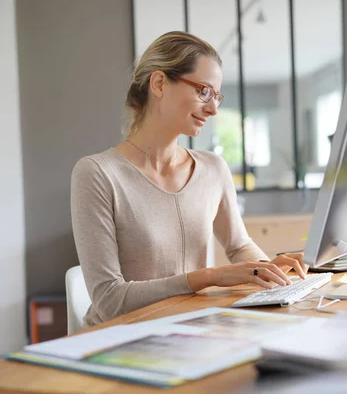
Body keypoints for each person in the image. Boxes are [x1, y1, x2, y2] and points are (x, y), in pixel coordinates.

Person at [71, 31, 307, 327]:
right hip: (121, 341)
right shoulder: (97, 174)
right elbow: (109, 301)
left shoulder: (213, 168)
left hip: (191, 330)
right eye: (203, 91)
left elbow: (238, 245)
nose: (214, 108)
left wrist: (268, 271)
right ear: (158, 84)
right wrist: (210, 277)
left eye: (217, 96)